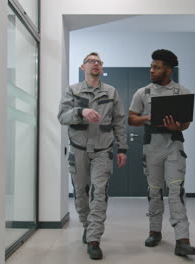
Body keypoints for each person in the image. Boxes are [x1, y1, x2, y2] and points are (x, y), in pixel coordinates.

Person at [58, 52, 128, 260]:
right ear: (83, 67)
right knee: (81, 193)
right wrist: (81, 112)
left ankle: (95, 238)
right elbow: (62, 116)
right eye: (91, 61)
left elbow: (119, 122)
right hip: (78, 150)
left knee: (99, 193)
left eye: (98, 62)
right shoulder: (73, 90)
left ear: (101, 67)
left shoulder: (111, 92)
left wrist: (122, 148)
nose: (95, 64)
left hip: (103, 151)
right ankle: (88, 227)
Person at [128, 49, 195, 257]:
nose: (152, 70)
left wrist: (176, 126)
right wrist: (147, 118)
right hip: (152, 147)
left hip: (173, 146)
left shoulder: (183, 92)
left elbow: (185, 124)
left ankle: (182, 240)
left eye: (156, 67)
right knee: (155, 191)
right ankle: (155, 231)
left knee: (176, 191)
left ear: (168, 70)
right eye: (151, 66)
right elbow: (131, 118)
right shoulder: (143, 93)